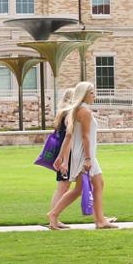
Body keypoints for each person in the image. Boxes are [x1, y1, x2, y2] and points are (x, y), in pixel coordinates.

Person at [48, 82, 118, 229]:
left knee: (92, 185)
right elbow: (85, 137)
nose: (94, 96)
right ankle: (55, 214)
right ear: (84, 94)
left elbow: (68, 136)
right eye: (91, 93)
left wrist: (60, 157)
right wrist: (87, 159)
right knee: (89, 187)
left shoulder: (76, 110)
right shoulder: (84, 112)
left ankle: (99, 220)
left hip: (84, 155)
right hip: (85, 156)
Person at [49, 88, 77, 228]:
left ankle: (54, 217)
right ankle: (53, 217)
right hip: (67, 154)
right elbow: (68, 138)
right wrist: (65, 161)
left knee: (63, 186)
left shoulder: (62, 112)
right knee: (63, 187)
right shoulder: (69, 113)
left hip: (65, 153)